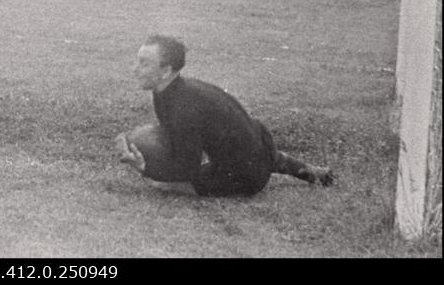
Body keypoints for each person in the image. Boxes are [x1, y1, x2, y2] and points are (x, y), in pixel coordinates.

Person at [116, 35, 334, 197]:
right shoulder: (170, 91)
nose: (135, 69)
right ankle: (308, 171)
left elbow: (187, 168)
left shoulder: (183, 106)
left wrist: (146, 167)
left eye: (144, 63)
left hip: (245, 178)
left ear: (166, 70)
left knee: (163, 185)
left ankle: (274, 170)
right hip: (259, 145)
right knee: (242, 147)